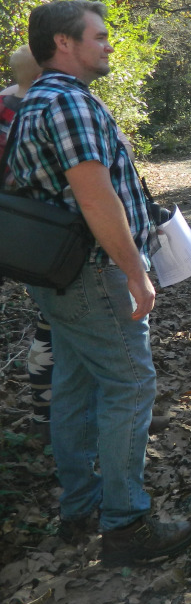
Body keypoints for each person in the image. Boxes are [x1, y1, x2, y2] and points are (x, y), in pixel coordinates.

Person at [3, 0, 191, 564]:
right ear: (65, 43)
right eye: (101, 36)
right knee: (131, 384)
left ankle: (80, 508)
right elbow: (94, 196)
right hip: (91, 274)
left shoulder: (43, 100)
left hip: (60, 274)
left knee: (76, 385)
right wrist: (136, 271)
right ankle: (126, 524)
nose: (110, 45)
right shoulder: (65, 102)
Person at [1, 46, 53, 443]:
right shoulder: (51, 104)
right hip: (52, 233)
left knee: (48, 320)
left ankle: (43, 415)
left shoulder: (4, 102)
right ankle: (50, 416)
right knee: (53, 325)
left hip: (16, 232)